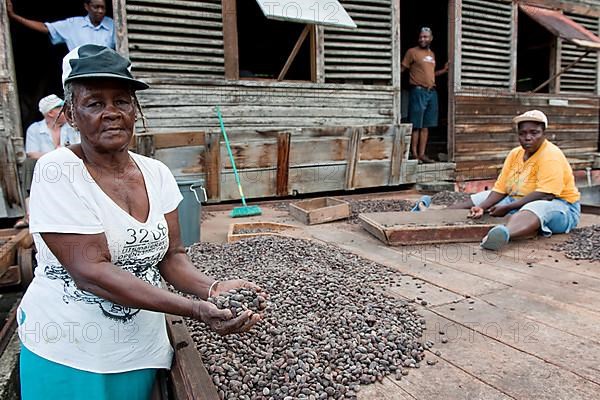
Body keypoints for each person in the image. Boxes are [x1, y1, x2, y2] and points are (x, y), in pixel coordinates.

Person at [18, 44, 263, 400]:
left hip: (140, 348)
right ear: (71, 114)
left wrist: (212, 290)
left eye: (122, 101)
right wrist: (194, 309)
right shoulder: (57, 171)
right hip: (70, 351)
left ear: (136, 111)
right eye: (94, 103)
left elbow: (172, 256)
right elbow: (91, 272)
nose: (112, 113)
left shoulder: (157, 173)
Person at [448, 110, 581, 250]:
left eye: (534, 133)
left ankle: (503, 234)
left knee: (536, 208)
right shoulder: (515, 154)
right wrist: (482, 207)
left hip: (561, 206)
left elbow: (546, 194)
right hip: (518, 200)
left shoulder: (551, 155)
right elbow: (501, 188)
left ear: (544, 134)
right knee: (481, 198)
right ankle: (439, 215)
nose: (527, 138)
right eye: (522, 133)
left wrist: (508, 207)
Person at [14, 94, 80, 229]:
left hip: (67, 164)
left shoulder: (71, 127)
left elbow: (78, 147)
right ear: (51, 112)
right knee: (28, 164)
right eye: (61, 108)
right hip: (45, 166)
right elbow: (32, 153)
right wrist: (55, 154)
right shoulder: (35, 129)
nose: (66, 110)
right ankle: (30, 214)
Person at [401, 27, 448, 164]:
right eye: (421, 36)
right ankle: (414, 154)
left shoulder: (431, 54)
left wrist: (444, 70)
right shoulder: (412, 52)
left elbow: (430, 74)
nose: (423, 39)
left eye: (425, 37)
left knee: (426, 125)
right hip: (418, 91)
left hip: (431, 92)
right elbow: (402, 69)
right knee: (416, 125)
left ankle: (422, 154)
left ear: (431, 38)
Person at [6, 0, 115, 51]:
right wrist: (14, 16)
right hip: (79, 76)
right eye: (96, 7)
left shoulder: (113, 25)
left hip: (106, 76)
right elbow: (45, 28)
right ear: (87, 7)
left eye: (103, 8)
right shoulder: (73, 24)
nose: (100, 11)